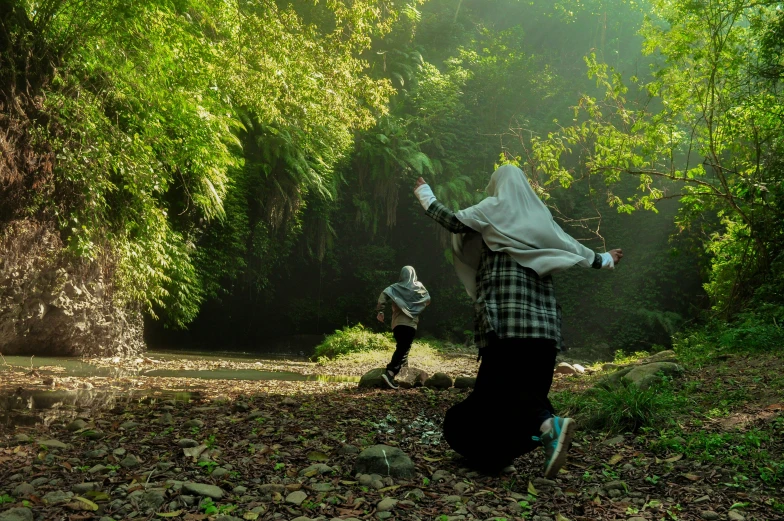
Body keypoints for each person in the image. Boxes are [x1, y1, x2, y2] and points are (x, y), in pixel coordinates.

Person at [413, 164, 623, 477]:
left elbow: (453, 221)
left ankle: (549, 427)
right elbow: (574, 248)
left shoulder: (494, 207)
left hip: (505, 323)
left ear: (499, 186)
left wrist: (424, 193)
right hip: (545, 329)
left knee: (506, 390)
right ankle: (494, 454)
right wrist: (604, 259)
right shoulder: (543, 219)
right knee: (500, 395)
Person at [376, 266, 431, 389]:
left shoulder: (395, 287)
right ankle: (390, 373)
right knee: (403, 348)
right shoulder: (418, 287)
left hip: (396, 324)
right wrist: (416, 306)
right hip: (410, 324)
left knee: (402, 347)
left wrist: (380, 311)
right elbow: (428, 299)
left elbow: (383, 295)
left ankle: (403, 374)